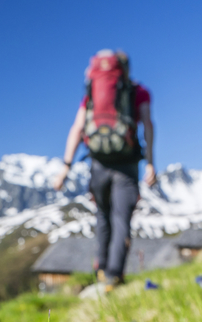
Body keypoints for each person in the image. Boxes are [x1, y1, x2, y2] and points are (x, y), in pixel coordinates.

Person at [53, 49, 156, 290]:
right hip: (127, 164)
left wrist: (65, 167)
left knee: (103, 216)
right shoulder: (138, 92)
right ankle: (113, 275)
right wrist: (150, 161)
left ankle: (101, 270)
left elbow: (78, 127)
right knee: (121, 219)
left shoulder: (93, 93)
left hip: (98, 162)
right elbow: (148, 125)